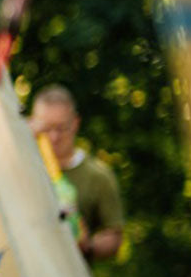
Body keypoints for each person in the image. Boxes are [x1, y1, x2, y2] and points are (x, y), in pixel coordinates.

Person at [29, 84, 123, 263]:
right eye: (46, 129)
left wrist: (89, 246)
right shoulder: (20, 165)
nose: (54, 137)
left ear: (75, 124)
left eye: (61, 128)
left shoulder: (98, 176)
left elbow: (114, 235)